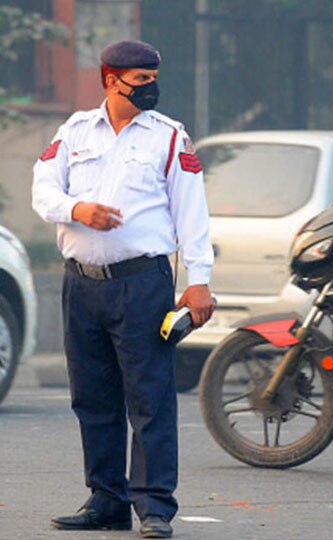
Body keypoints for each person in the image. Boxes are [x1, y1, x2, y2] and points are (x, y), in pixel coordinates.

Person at [32, 40, 214, 539]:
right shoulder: (74, 131)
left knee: (150, 399)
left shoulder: (169, 137)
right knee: (93, 398)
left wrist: (199, 282)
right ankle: (106, 499)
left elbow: (191, 211)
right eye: (141, 79)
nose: (151, 87)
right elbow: (43, 188)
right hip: (82, 285)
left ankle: (154, 507)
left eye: (154, 77)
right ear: (111, 80)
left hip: (141, 284)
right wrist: (77, 209)